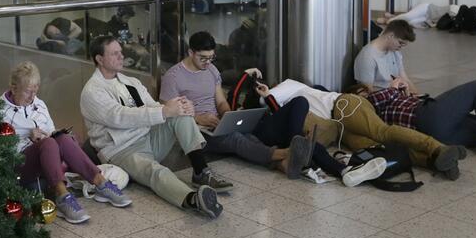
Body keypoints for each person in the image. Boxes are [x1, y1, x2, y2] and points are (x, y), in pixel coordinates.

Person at [162, 32, 387, 187]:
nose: (208, 63)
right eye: (203, 58)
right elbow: (168, 111)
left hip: (219, 123)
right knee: (238, 140)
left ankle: (320, 165)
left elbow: (220, 100)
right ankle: (291, 154)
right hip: (196, 129)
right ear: (190, 52)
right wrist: (200, 117)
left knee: (251, 138)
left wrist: (227, 113)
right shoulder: (173, 76)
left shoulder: (211, 71)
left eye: (211, 58)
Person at [80, 35, 230, 219]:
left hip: (148, 137)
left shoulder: (130, 81)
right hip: (122, 150)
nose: (121, 56)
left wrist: (181, 107)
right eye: (114, 53)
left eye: (120, 52)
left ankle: (201, 171)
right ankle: (192, 199)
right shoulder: (92, 91)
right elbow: (119, 117)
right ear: (99, 59)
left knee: (180, 117)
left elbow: (153, 106)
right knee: (156, 171)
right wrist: (165, 111)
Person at [355, 19, 476, 159]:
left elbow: (406, 79)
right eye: (401, 43)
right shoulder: (368, 57)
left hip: (429, 124)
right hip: (418, 113)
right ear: (391, 36)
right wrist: (393, 88)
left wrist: (416, 96)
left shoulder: (394, 52)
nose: (401, 48)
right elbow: (367, 100)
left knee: (475, 128)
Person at [255, 78, 466, 179]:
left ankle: (437, 147)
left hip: (344, 106)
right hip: (340, 130)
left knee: (382, 132)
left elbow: (270, 101)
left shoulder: (289, 86)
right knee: (377, 146)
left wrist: (266, 95)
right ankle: (431, 161)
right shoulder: (284, 107)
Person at [0, 62, 132, 224]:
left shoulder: (39, 105)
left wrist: (56, 135)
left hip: (46, 160)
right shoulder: (1, 112)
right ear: (13, 88)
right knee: (48, 144)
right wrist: (29, 137)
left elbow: (50, 131)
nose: (32, 96)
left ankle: (100, 183)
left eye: (35, 90)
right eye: (28, 91)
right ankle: (62, 196)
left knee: (62, 139)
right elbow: (0, 151)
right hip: (19, 165)